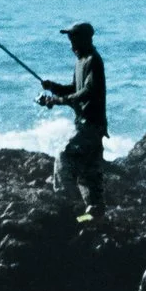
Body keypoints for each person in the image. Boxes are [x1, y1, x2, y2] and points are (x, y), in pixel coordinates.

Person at [38, 22, 107, 221]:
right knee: (88, 176)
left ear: (85, 39)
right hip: (85, 125)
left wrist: (58, 101)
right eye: (70, 39)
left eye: (74, 39)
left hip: (91, 126)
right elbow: (73, 88)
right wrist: (52, 87)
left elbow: (87, 92)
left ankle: (67, 208)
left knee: (64, 157)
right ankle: (88, 220)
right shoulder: (80, 61)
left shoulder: (94, 60)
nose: (71, 44)